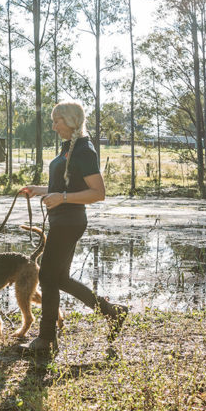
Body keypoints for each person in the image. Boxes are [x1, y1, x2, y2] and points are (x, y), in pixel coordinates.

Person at [18, 100, 128, 353]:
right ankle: (112, 312)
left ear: (71, 122)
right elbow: (66, 187)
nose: (54, 126)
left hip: (70, 221)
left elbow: (98, 193)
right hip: (62, 218)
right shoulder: (69, 147)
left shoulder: (84, 150)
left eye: (57, 121)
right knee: (60, 278)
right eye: (53, 121)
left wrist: (62, 199)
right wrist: (40, 190)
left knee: (46, 275)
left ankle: (46, 339)